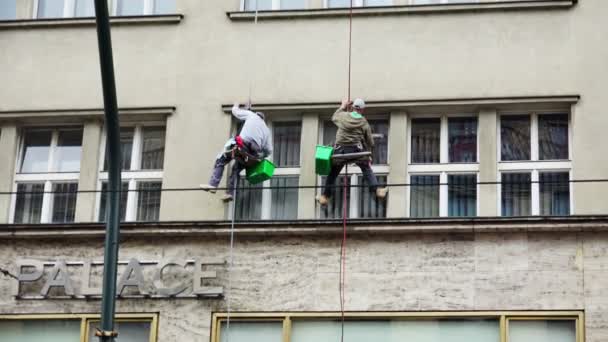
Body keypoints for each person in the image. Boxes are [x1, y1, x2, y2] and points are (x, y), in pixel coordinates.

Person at [317, 98, 388, 205]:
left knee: (333, 174)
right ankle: (377, 190)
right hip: (356, 151)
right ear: (363, 110)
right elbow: (370, 141)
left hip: (340, 152)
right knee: (366, 168)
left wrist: (343, 106)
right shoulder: (363, 122)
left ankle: (325, 197)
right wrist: (369, 152)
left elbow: (334, 117)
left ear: (353, 107)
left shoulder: (343, 116)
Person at [200, 102, 272, 202]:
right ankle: (230, 193)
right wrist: (262, 155)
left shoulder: (251, 115)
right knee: (236, 169)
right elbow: (269, 150)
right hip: (252, 155)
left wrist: (236, 105)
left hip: (242, 146)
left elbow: (236, 113)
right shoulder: (266, 130)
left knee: (221, 160)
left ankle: (213, 184)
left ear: (257, 114)